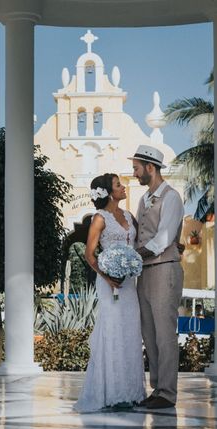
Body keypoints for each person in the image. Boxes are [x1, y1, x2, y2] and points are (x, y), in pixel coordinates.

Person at [74, 173, 146, 412]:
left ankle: (132, 391)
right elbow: (89, 254)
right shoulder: (99, 218)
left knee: (130, 332)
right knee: (113, 331)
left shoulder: (128, 216)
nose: (123, 186)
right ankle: (113, 393)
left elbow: (140, 245)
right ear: (108, 191)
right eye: (118, 184)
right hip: (109, 285)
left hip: (129, 286)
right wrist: (108, 277)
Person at [129, 145, 185, 409]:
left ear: (150, 168)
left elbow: (163, 237)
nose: (134, 173)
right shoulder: (144, 199)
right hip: (146, 272)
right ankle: (157, 388)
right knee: (149, 334)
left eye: (137, 168)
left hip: (165, 270)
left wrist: (135, 255)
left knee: (165, 334)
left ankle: (167, 392)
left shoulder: (171, 197)